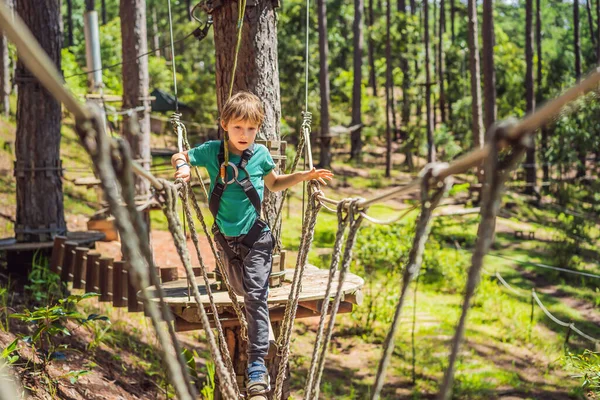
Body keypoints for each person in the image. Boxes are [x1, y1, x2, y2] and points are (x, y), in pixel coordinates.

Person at [171, 91, 333, 396]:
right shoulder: (211, 152)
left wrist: (303, 176)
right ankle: (257, 321)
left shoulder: (259, 155)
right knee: (244, 292)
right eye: (238, 128)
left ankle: (256, 364)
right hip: (226, 242)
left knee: (256, 298)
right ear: (224, 125)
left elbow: (274, 183)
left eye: (251, 129)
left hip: (256, 238)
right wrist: (182, 166)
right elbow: (181, 154)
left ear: (258, 128)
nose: (244, 135)